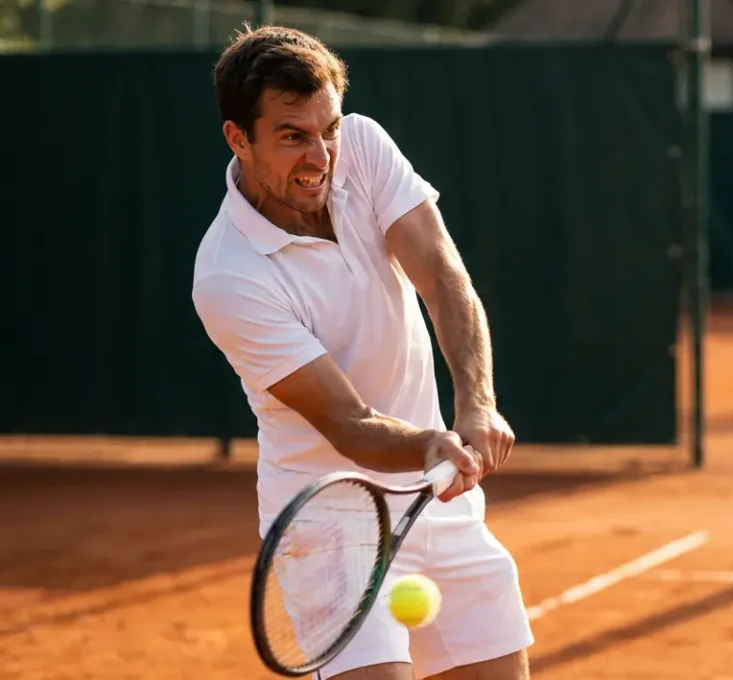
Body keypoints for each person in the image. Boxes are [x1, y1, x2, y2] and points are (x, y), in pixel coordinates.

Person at [191, 25, 533, 680]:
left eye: (329, 129)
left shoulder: (365, 147)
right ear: (239, 138)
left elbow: (442, 277)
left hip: (438, 503)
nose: (320, 155)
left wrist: (477, 403)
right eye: (293, 136)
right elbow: (350, 424)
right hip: (329, 525)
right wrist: (431, 444)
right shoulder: (229, 276)